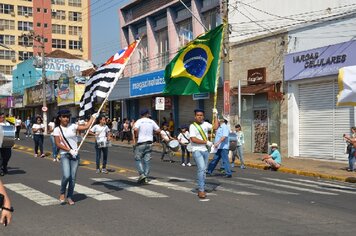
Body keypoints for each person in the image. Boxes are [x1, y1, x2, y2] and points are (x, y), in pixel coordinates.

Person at [53, 110, 97, 205]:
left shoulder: (73, 126)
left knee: (73, 178)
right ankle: (62, 192)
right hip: (65, 154)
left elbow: (86, 127)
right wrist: (69, 150)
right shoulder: (57, 129)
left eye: (68, 117)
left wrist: (93, 117)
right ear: (60, 118)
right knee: (66, 175)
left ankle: (69, 196)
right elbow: (57, 144)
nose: (66, 119)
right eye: (64, 117)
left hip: (75, 155)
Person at [189, 108, 218, 199]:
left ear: (203, 116)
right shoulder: (192, 126)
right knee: (201, 169)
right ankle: (201, 190)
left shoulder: (205, 124)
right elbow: (193, 139)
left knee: (204, 170)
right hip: (196, 150)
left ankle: (202, 186)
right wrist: (206, 142)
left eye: (201, 115)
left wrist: (215, 115)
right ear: (195, 116)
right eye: (198, 115)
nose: (200, 117)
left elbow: (215, 127)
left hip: (205, 150)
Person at [133, 108, 161, 184]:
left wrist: (134, 126)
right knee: (147, 161)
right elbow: (158, 130)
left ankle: (142, 174)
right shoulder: (152, 121)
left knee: (138, 159)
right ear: (147, 114)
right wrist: (152, 132)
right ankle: (145, 177)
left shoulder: (139, 121)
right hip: (149, 143)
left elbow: (135, 129)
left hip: (141, 143)